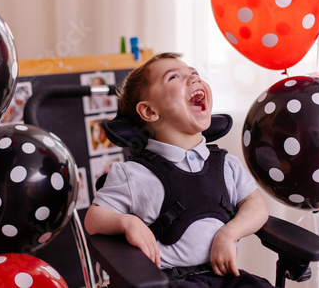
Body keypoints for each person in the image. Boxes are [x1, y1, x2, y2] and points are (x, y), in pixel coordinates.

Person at [84, 52, 273, 288]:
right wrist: (128, 223)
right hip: (169, 281)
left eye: (194, 74)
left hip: (225, 276)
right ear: (150, 112)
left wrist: (229, 234)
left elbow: (256, 207)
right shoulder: (133, 174)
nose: (193, 79)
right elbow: (93, 219)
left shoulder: (227, 165)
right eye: (174, 77)